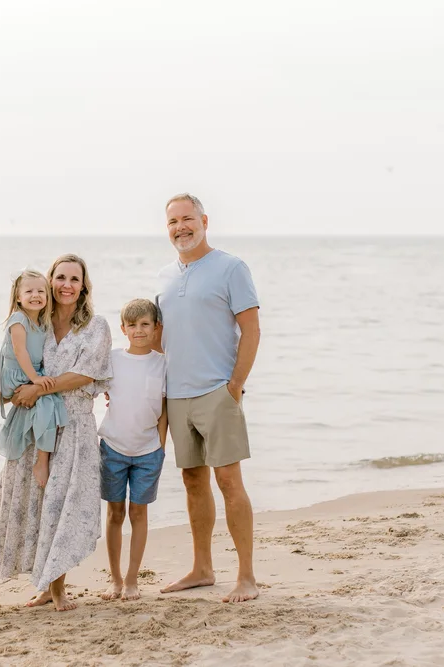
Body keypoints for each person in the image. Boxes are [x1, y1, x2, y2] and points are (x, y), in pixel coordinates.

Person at [0, 253, 112, 612]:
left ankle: (59, 588)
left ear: (83, 287)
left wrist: (38, 389)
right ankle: (47, 586)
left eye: (74, 279)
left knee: (63, 506)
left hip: (76, 426)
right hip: (39, 426)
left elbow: (86, 374)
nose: (67, 285)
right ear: (51, 282)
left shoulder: (96, 327)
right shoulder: (37, 324)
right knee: (38, 504)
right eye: (61, 278)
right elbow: (15, 367)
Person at [155, 193, 262, 603]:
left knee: (229, 481)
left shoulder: (231, 267)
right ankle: (202, 568)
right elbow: (160, 340)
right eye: (172, 222)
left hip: (218, 391)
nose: (180, 227)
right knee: (192, 481)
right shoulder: (164, 275)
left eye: (187, 219)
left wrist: (235, 385)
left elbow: (251, 330)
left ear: (204, 220)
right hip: (176, 395)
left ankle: (247, 576)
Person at [97, 298, 168, 602]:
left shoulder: (163, 363)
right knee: (115, 513)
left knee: (139, 513)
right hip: (113, 447)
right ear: (123, 328)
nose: (139, 331)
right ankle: (114, 578)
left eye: (145, 325)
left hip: (148, 451)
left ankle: (131, 578)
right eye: (133, 325)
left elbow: (164, 408)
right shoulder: (112, 359)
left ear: (155, 328)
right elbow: (92, 391)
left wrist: (162, 446)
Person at [0, 269, 68, 488]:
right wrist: (35, 379)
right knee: (46, 401)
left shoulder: (43, 323)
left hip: (31, 374)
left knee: (54, 401)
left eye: (41, 291)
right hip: (18, 376)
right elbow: (20, 352)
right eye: (29, 291)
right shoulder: (19, 319)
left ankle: (43, 454)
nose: (35, 295)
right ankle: (42, 461)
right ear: (18, 297)